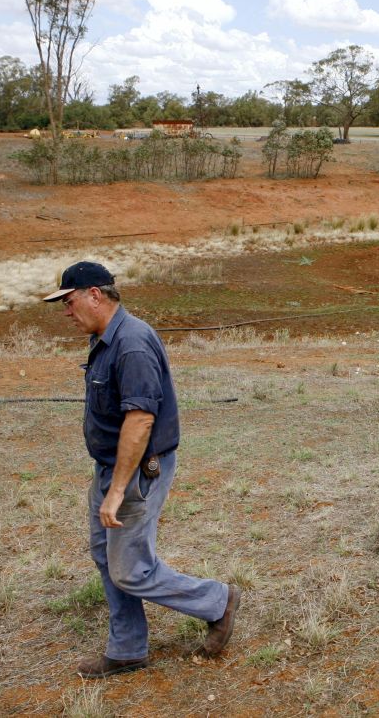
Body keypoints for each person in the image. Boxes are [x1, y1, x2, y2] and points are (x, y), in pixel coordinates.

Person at [43, 261, 241, 679]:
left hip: (134, 473)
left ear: (95, 294)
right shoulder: (106, 338)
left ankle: (216, 601)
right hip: (112, 469)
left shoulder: (130, 344)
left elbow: (140, 420)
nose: (66, 310)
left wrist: (117, 490)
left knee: (131, 569)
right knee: (105, 555)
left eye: (69, 300)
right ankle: (128, 648)